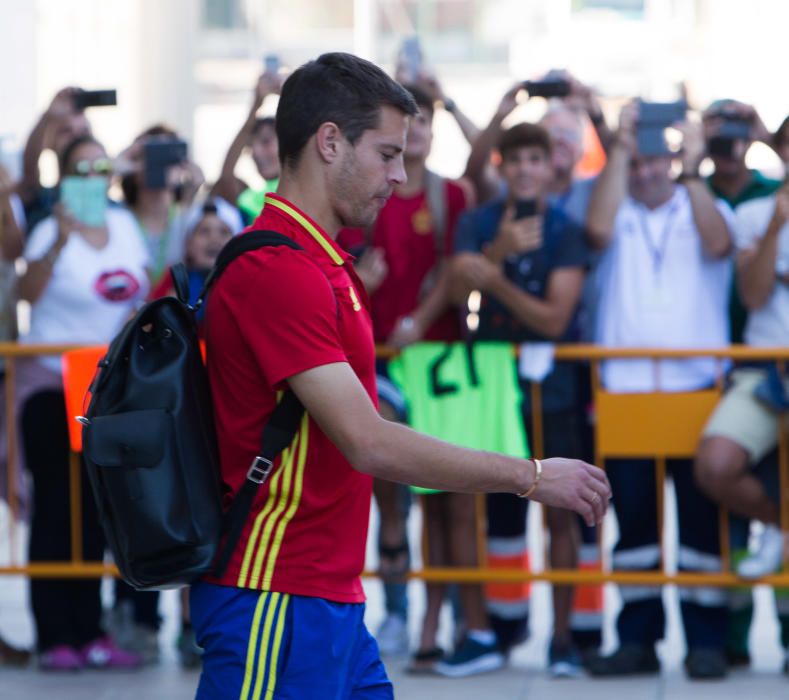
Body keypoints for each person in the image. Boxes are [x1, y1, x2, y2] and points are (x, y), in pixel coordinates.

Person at [192, 51, 610, 700]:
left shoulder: (327, 262)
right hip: (274, 595)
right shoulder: (280, 271)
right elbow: (370, 440)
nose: (399, 173)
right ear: (329, 142)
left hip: (323, 597)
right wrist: (528, 477)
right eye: (387, 154)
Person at [583, 103, 734, 679]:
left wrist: (691, 168)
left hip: (695, 387)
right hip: (624, 390)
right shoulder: (614, 211)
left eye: (656, 161)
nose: (647, 172)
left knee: (700, 525)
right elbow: (596, 229)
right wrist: (619, 145)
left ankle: (705, 641)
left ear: (674, 162)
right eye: (637, 162)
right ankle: (638, 638)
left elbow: (719, 245)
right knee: (635, 528)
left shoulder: (702, 204)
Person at [449, 122, 590, 676]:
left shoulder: (566, 228)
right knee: (474, 504)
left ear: (551, 165)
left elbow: (554, 319)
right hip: (487, 389)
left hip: (550, 389)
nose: (527, 168)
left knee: (560, 512)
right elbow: (456, 295)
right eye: (518, 159)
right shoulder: (477, 221)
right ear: (502, 166)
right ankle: (483, 633)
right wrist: (496, 252)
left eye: (538, 157)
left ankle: (562, 640)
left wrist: (496, 274)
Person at [17, 135, 149, 671]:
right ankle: (55, 635)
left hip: (107, 391)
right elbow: (23, 293)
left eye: (100, 164)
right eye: (81, 167)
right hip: (51, 386)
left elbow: (139, 289)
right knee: (55, 509)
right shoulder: (50, 229)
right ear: (64, 175)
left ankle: (92, 630)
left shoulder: (124, 226)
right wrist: (59, 240)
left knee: (98, 513)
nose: (93, 174)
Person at [694, 117, 789, 673]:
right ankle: (778, 523)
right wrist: (775, 230)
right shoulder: (756, 213)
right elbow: (753, 298)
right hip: (762, 371)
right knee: (716, 464)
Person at [117, 125, 204, 286]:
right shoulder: (118, 219)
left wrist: (191, 191)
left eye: (168, 155)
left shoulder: (192, 219)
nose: (161, 164)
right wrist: (117, 166)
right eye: (151, 154)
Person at [210, 70, 284, 225]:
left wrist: (288, 95)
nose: (256, 152)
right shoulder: (252, 199)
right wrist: (256, 104)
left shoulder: (305, 190)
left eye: (266, 142)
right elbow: (227, 177)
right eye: (250, 146)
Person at [18, 87, 92, 232]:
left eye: (84, 132)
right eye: (66, 131)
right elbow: (29, 175)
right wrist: (48, 117)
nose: (76, 137)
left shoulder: (111, 203)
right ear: (50, 142)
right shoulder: (43, 198)